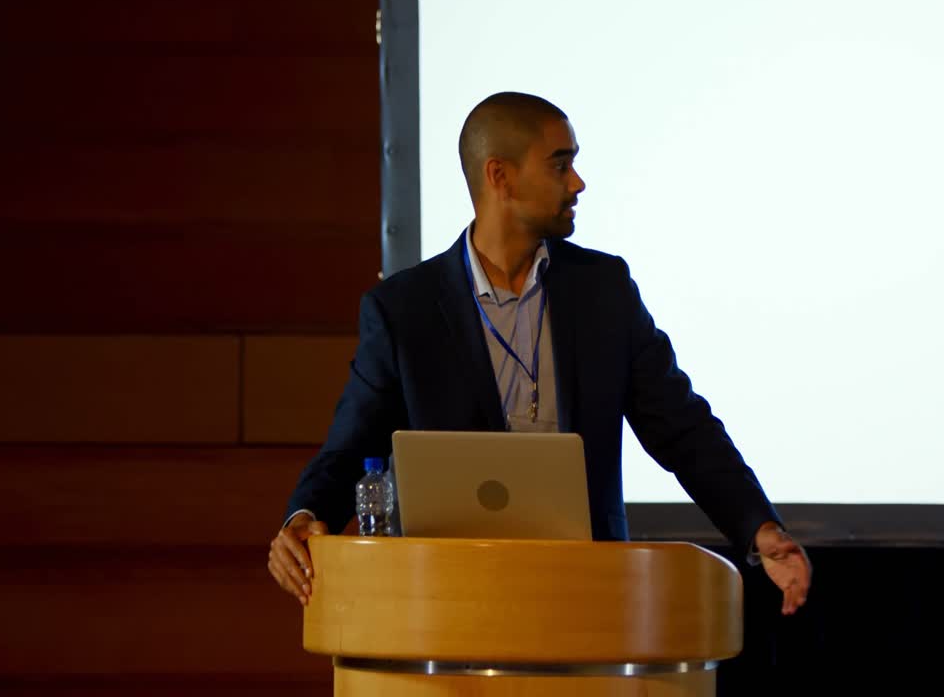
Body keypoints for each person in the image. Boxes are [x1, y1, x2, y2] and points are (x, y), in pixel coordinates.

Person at [267, 91, 811, 615]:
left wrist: (760, 528)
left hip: (587, 598)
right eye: (559, 165)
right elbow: (349, 448)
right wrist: (303, 517)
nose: (578, 182)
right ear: (499, 176)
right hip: (447, 603)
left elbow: (683, 427)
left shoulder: (604, 290)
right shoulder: (403, 310)